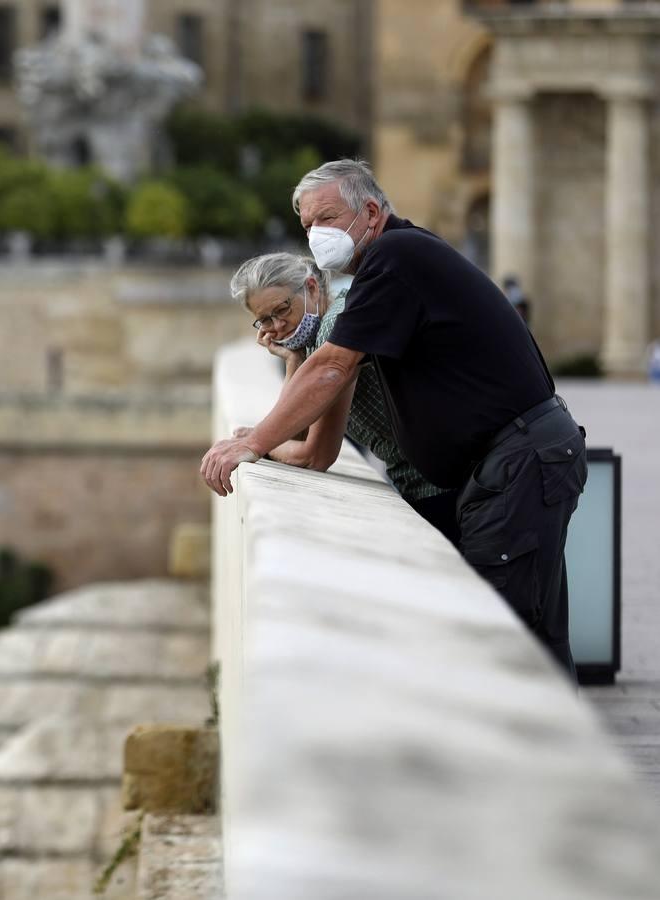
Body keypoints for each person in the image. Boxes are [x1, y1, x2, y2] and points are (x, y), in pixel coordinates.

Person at [199, 159, 587, 679]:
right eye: (308, 226)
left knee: (506, 648)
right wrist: (286, 376)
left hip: (518, 461)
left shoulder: (395, 257)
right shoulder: (393, 260)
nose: (317, 235)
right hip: (511, 463)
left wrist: (253, 444)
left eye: (328, 218)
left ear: (372, 211)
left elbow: (333, 366)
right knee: (529, 638)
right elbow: (323, 365)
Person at [230, 252, 459, 544]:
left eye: (282, 309)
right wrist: (292, 360)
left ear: (312, 287)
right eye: (264, 320)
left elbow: (314, 455)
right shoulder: (318, 335)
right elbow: (296, 432)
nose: (277, 326)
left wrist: (262, 447)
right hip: (430, 481)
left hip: (443, 487)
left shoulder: (336, 327)